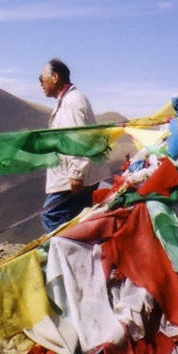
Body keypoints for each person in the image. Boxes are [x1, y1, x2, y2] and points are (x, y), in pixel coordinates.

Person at [38, 58, 101, 232]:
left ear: (55, 77)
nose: (41, 83)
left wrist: (77, 174)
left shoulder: (71, 102)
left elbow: (79, 139)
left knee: (51, 216)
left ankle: (64, 249)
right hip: (76, 176)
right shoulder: (68, 100)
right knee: (77, 220)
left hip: (72, 178)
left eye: (41, 78)